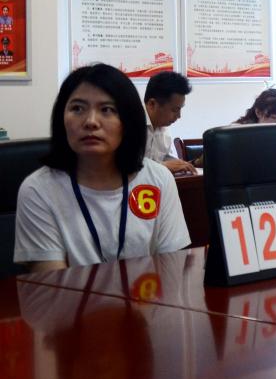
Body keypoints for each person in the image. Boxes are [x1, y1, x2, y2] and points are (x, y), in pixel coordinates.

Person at [13, 63, 191, 272]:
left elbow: (172, 271)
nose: (91, 122)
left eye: (107, 110)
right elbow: (54, 286)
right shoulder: (38, 189)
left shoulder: (159, 179)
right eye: (77, 108)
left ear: (128, 120)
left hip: (148, 294)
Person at [143, 71, 196, 175]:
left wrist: (187, 164)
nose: (179, 116)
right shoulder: (129, 124)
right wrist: (163, 166)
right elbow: (124, 166)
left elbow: (170, 160)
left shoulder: (163, 127)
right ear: (152, 104)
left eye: (180, 109)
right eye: (174, 110)